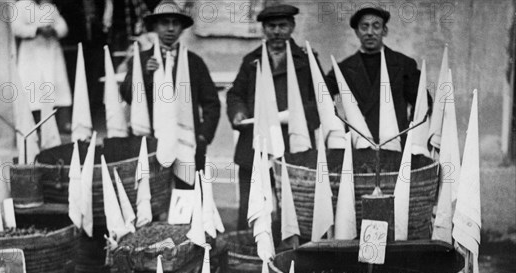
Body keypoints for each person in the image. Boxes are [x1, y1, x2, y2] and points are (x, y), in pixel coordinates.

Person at [226, 4, 321, 230]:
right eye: (271, 26)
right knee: (253, 204)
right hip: (255, 144)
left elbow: (321, 100)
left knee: (295, 206)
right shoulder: (251, 61)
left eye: (283, 26)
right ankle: (249, 253)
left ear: (292, 27)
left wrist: (295, 117)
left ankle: (292, 253)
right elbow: (235, 94)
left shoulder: (307, 60)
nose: (277, 31)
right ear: (264, 29)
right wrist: (239, 113)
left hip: (293, 145)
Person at [119, 0, 220, 189]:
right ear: (155, 27)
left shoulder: (194, 63)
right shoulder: (141, 60)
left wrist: (203, 136)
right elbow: (127, 96)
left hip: (186, 139)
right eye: (165, 23)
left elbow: (212, 103)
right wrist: (145, 76)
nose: (170, 29)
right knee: (150, 193)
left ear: (182, 28)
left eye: (176, 23)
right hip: (150, 141)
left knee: (187, 194)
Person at [325, 6, 424, 147]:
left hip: (394, 144)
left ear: (385, 30)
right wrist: (337, 130)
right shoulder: (343, 68)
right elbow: (320, 92)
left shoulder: (403, 64)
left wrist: (409, 132)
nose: (370, 32)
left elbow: (422, 102)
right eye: (364, 27)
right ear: (357, 32)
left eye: (376, 26)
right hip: (358, 143)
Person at [12, 0, 72, 129]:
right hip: (31, 52)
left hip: (51, 50)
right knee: (33, 87)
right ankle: (37, 124)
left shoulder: (49, 7)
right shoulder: (21, 6)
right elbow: (16, 27)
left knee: (57, 85)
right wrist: (38, 30)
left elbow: (63, 27)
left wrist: (53, 30)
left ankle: (61, 123)